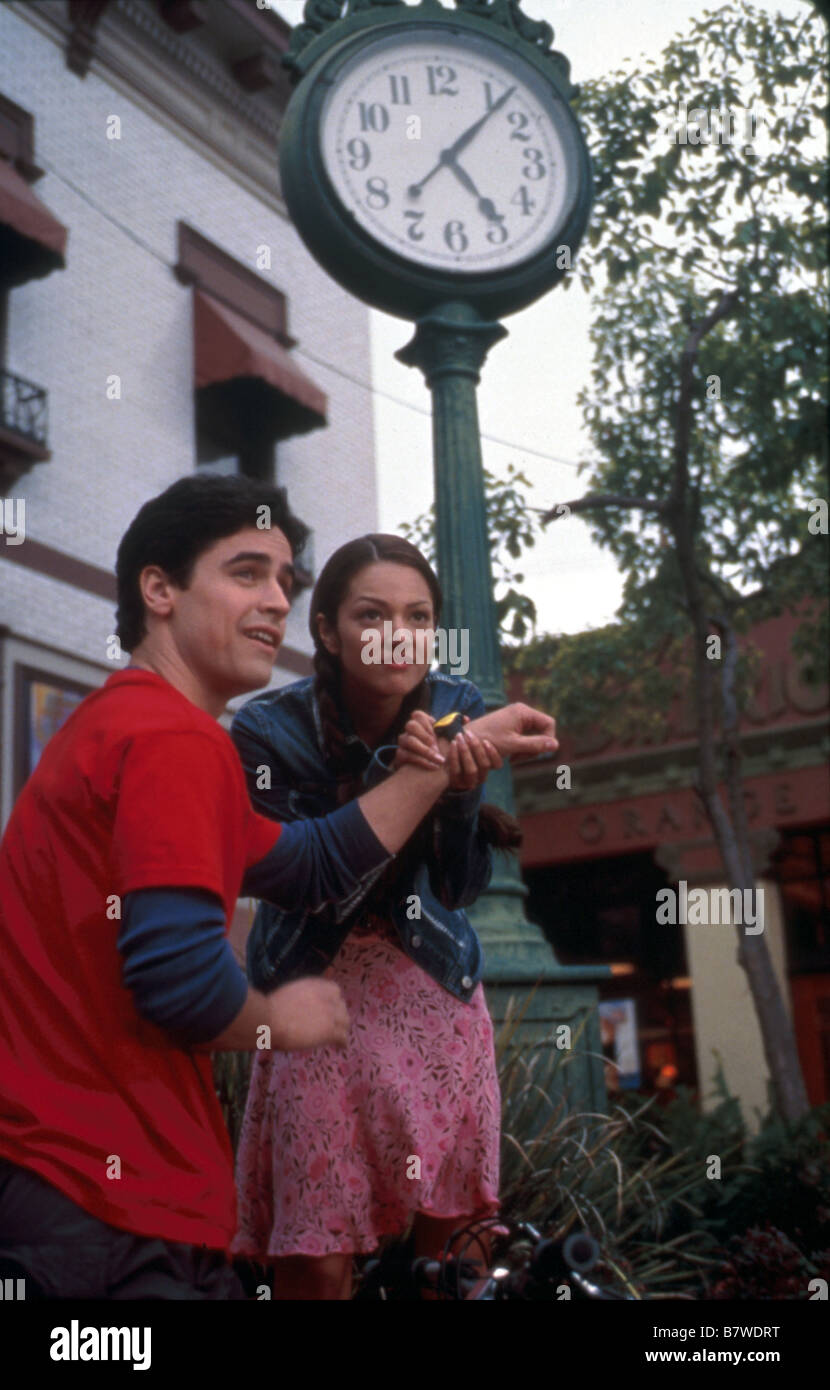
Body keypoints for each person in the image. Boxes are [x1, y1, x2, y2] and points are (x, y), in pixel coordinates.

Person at [0, 477, 558, 1300]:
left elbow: (309, 863)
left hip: (97, 1190)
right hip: (96, 1201)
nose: (273, 602)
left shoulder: (137, 727)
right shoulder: (171, 742)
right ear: (160, 589)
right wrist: (275, 1018)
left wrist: (457, 760)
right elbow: (180, 984)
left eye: (284, 583)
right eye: (246, 572)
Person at [230, 534, 532, 1300]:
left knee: (453, 1251)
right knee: (317, 1256)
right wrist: (406, 775)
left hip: (435, 994)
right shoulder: (266, 732)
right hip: (313, 1005)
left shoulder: (459, 704)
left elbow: (461, 889)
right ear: (327, 631)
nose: (399, 634)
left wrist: (459, 796)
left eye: (418, 616)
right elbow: (316, 886)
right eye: (372, 615)